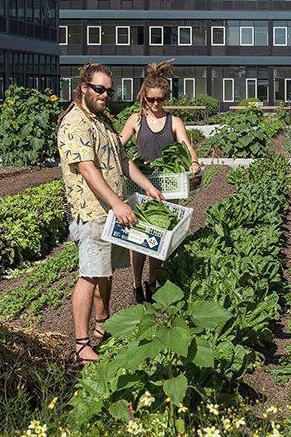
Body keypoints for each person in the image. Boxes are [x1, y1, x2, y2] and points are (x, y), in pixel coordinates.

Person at [57, 62, 165, 364]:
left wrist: (147, 187)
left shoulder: (102, 119)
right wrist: (117, 203)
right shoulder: (75, 122)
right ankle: (80, 344)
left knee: (105, 273)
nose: (105, 94)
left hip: (111, 212)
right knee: (90, 275)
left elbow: (123, 159)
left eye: (109, 90)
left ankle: (102, 326)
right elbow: (87, 168)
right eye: (99, 89)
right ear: (84, 88)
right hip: (92, 212)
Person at [119, 60, 200, 304]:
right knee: (138, 239)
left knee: (158, 237)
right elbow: (118, 144)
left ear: (165, 98)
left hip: (166, 188)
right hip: (141, 186)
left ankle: (151, 281)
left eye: (161, 99)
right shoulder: (135, 120)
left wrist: (193, 163)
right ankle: (136, 284)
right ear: (144, 97)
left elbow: (187, 147)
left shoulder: (174, 121)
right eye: (151, 99)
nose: (156, 104)